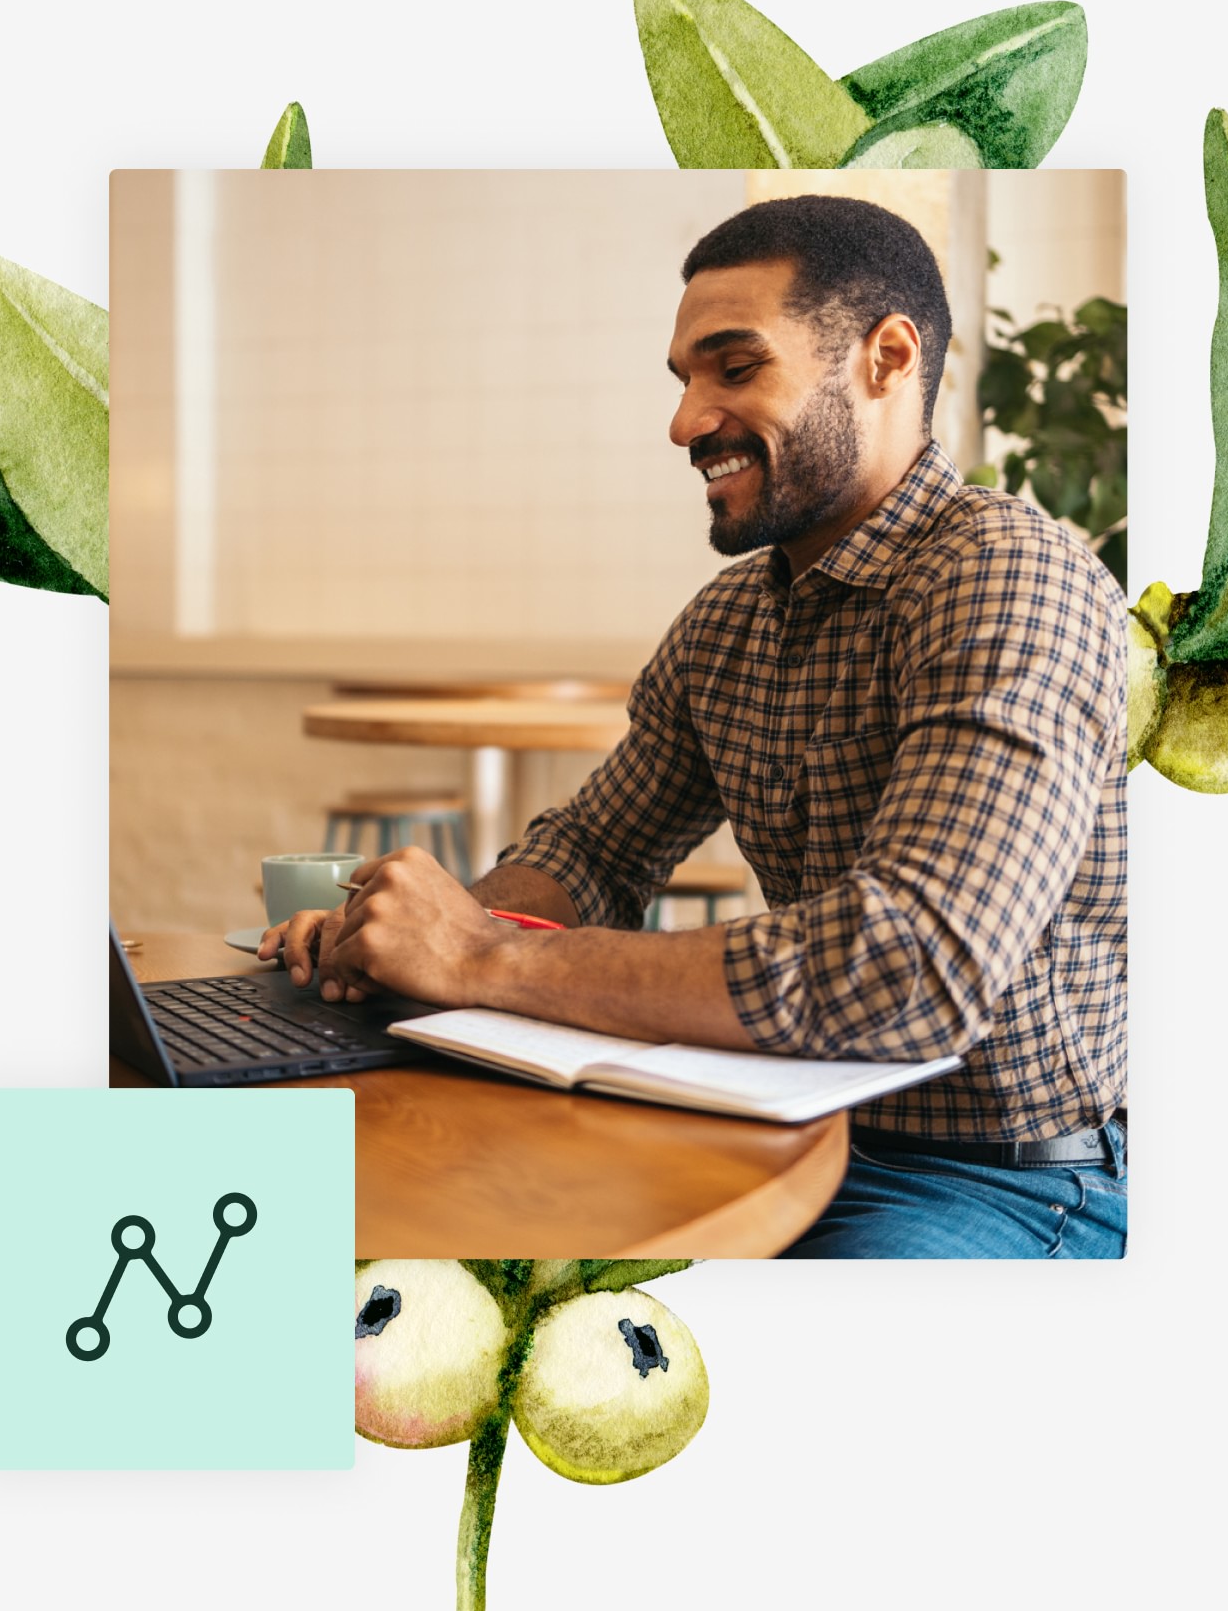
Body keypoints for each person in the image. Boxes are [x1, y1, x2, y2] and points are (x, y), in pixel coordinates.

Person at [259, 194, 1128, 1259]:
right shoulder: (729, 621)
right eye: (683, 380)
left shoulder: (1007, 571)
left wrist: (484, 957)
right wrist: (409, 940)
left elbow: (914, 968)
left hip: (1011, 1180)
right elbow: (593, 852)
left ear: (888, 358)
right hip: (778, 1121)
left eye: (735, 367)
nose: (685, 421)